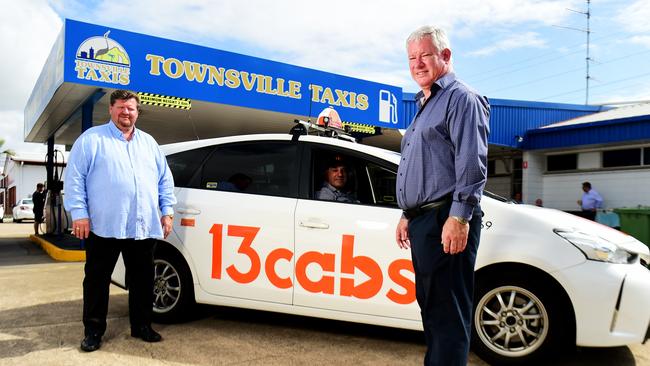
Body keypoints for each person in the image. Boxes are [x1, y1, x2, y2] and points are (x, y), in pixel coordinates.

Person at [395, 25, 490, 366]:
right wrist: (408, 214)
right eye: (411, 58)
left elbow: (471, 163)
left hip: (445, 219)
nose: (417, 64)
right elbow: (425, 166)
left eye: (425, 55)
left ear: (445, 56)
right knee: (433, 310)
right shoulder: (426, 104)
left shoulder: (462, 99)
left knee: (448, 315)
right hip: (426, 220)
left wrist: (459, 217)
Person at [64, 90, 176, 352]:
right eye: (121, 108)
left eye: (131, 109)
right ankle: (93, 331)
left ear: (137, 112)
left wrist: (167, 211)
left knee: (143, 280)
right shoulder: (91, 140)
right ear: (111, 109)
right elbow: (75, 179)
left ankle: (141, 326)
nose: (126, 113)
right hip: (104, 226)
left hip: (142, 226)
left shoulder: (149, 143)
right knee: (97, 280)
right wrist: (79, 213)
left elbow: (164, 181)